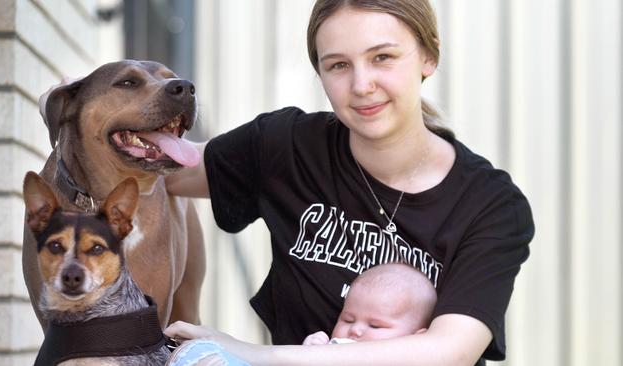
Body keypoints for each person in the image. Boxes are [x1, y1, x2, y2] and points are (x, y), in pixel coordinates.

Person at [42, 0, 534, 364]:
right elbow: (161, 169)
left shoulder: (490, 205)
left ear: (428, 58)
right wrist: (85, 124)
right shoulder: (288, 146)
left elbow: (449, 350)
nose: (361, 84)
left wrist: (250, 355)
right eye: (338, 64)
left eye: (383, 57)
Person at [302, 262, 437, 345]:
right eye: (348, 320)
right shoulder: (332, 349)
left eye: (375, 326)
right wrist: (312, 352)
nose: (355, 330)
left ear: (416, 340)